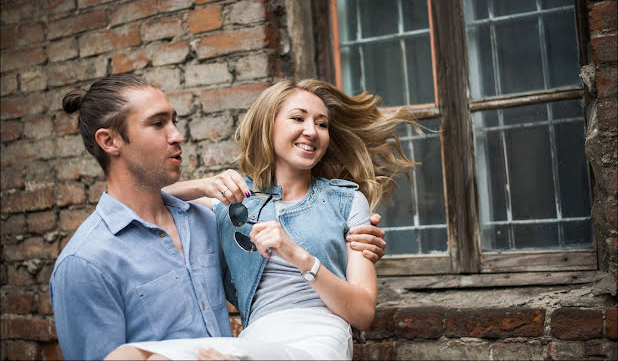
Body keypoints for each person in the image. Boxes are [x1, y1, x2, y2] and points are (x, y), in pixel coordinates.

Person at [49, 75, 386, 360]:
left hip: (308, 341)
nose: (178, 134)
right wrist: (203, 186)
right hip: (251, 339)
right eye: (157, 123)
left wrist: (304, 253)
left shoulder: (202, 220)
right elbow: (132, 201)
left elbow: (361, 310)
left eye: (322, 123)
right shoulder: (89, 260)